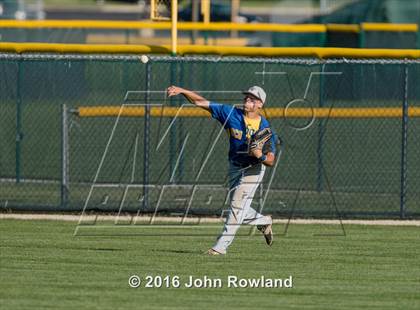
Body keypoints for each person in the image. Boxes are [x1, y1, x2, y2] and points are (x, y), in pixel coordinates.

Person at [167, 85, 277, 255]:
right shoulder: (230, 113)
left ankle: (220, 248)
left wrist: (259, 156)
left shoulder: (265, 128)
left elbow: (270, 160)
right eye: (247, 97)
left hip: (253, 169)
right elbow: (201, 102)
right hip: (235, 165)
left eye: (253, 98)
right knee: (239, 208)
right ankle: (263, 221)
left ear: (260, 104)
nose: (248, 100)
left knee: (236, 207)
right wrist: (183, 91)